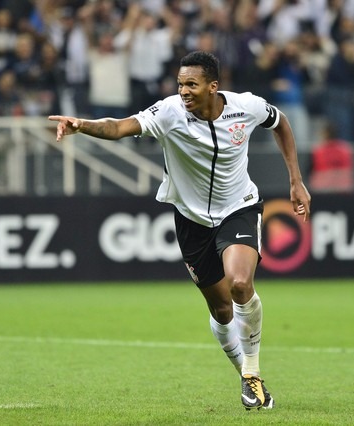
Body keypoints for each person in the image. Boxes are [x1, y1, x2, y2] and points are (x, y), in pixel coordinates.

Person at [49, 50, 311, 410]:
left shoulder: (246, 107)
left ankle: (252, 373)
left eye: (192, 84)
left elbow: (280, 122)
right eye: (180, 84)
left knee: (239, 284)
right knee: (222, 312)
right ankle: (246, 376)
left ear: (213, 87)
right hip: (191, 222)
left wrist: (296, 180)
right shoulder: (169, 112)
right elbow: (120, 127)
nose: (184, 91)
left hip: (239, 208)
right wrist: (83, 125)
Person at [307, 120, 354, 192]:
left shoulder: (317, 151)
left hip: (322, 191)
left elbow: (309, 172)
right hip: (344, 191)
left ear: (325, 134)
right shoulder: (346, 149)